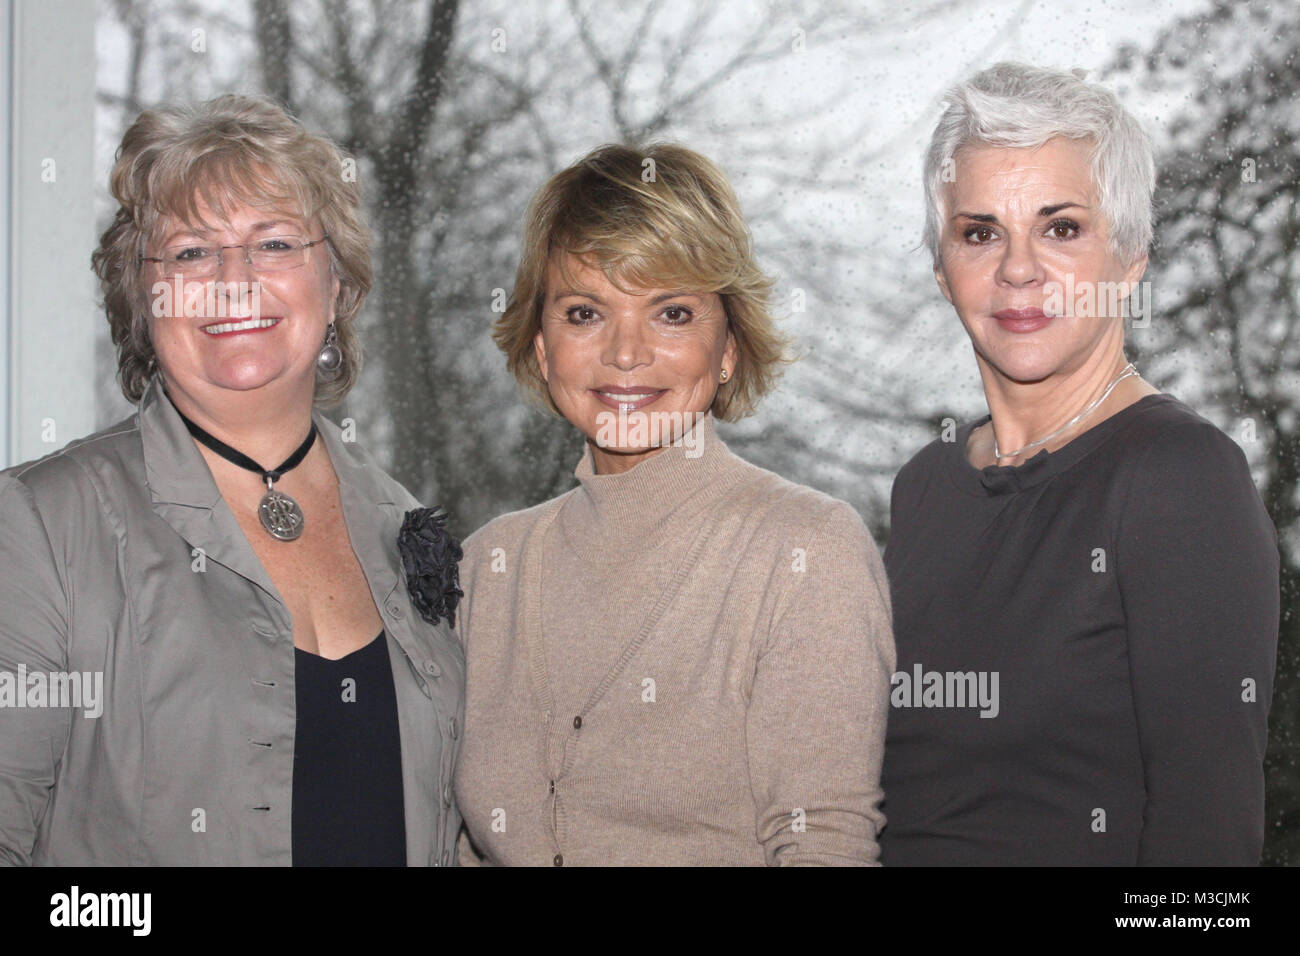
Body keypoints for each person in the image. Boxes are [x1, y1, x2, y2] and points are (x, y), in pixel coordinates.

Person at [0, 95, 464, 866]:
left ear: (337, 285)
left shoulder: (410, 531)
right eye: (190, 253)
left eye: (275, 243)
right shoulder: (40, 527)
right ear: (142, 299)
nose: (234, 279)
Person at [880, 62, 1279, 865]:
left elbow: (1205, 862)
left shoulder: (1180, 477)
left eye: (1061, 228)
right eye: (979, 231)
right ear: (940, 267)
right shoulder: (925, 487)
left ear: (1129, 259)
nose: (1017, 268)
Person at [452, 143, 895, 866]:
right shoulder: (487, 566)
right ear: (540, 345)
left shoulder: (805, 551)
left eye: (673, 312)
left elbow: (825, 845)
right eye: (586, 312)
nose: (626, 353)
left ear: (727, 348)